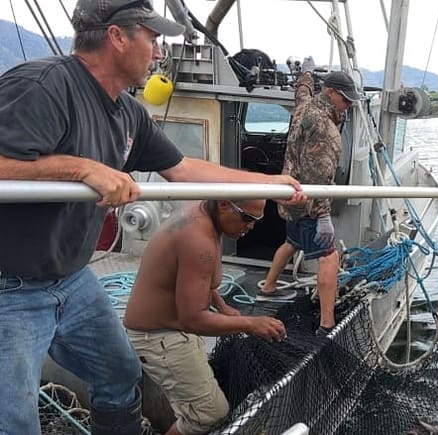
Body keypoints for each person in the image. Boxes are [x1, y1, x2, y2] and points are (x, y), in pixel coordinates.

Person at [0, 1, 304, 434]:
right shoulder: (44, 86)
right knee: (14, 421)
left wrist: (268, 182)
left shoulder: (127, 112)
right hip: (10, 287)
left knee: (121, 377)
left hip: (69, 277)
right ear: (117, 37)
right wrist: (79, 167)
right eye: (154, 37)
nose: (160, 52)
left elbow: (184, 169)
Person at [123, 199, 287, 435]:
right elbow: (194, 320)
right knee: (208, 414)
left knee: (200, 407)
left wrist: (221, 306)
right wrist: (251, 323)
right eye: (247, 218)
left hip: (173, 328)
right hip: (159, 338)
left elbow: (195, 275)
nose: (251, 226)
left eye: (257, 220)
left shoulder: (203, 214)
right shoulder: (199, 240)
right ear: (223, 204)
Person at [259, 58, 361, 336]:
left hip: (288, 197)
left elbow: (302, 88)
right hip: (307, 204)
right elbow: (320, 180)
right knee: (329, 256)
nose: (349, 105)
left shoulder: (305, 103)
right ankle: (327, 324)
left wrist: (306, 72)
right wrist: (324, 216)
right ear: (329, 93)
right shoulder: (325, 130)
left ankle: (268, 287)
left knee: (292, 241)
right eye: (346, 99)